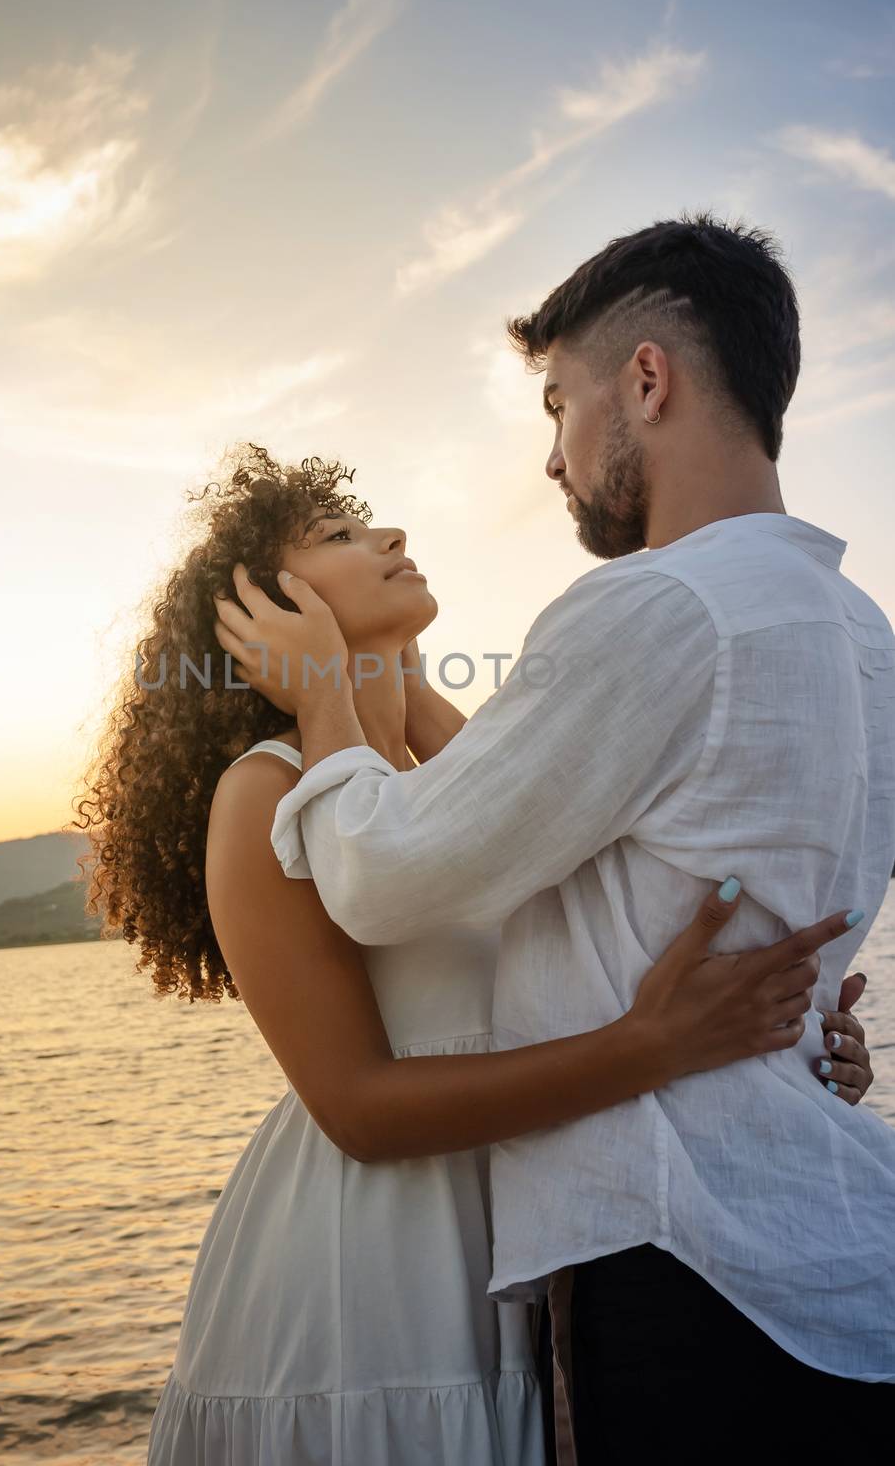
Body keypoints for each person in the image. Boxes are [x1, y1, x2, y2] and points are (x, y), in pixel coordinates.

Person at [214, 214, 895, 1461]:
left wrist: (326, 698)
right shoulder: (862, 636)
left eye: (555, 403)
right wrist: (812, 1046)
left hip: (684, 1258)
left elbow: (383, 872)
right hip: (837, 1251)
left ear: (645, 380)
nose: (551, 459)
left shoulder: (650, 607)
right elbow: (598, 837)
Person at [73, 445, 872, 1466]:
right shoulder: (262, 794)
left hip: (530, 1250)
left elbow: (605, 916)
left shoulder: (450, 786)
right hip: (372, 1269)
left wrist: (795, 1039)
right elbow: (358, 1107)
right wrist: (650, 1045)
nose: (391, 536)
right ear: (265, 613)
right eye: (338, 538)